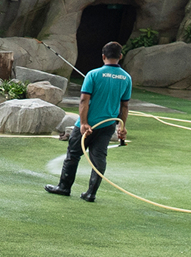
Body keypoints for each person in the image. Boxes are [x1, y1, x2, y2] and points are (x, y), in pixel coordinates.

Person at [47, 41, 132, 202]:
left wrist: (84, 123)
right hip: (107, 125)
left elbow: (84, 100)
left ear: (103, 56)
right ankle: (91, 193)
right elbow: (125, 105)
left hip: (87, 125)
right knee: (99, 159)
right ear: (120, 56)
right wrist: (122, 126)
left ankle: (64, 187)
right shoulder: (126, 78)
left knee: (73, 155)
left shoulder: (93, 74)